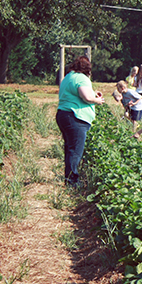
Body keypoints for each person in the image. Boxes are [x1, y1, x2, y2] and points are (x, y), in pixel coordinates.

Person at [56, 55, 104, 186]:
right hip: (75, 117)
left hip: (63, 114)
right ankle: (72, 182)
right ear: (87, 69)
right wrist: (97, 100)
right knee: (75, 150)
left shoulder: (69, 77)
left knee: (69, 148)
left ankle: (68, 178)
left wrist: (93, 93)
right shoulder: (82, 78)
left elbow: (77, 92)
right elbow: (86, 97)